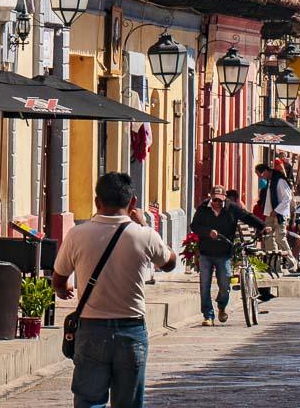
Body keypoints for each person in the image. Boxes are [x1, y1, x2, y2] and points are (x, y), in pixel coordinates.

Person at [53, 172, 176, 408]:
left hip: (91, 329)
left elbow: (58, 280)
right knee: (128, 403)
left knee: (89, 400)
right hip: (131, 330)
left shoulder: (77, 234)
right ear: (133, 203)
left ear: (97, 202)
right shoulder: (144, 235)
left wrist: (64, 289)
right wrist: (143, 225)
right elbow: (170, 263)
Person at [189, 186, 266, 325]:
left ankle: (221, 305)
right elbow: (194, 226)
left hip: (224, 253)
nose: (217, 203)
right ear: (210, 197)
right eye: (214, 200)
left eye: (220, 200)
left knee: (225, 284)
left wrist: (262, 226)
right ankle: (208, 316)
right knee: (204, 286)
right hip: (206, 252)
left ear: (225, 198)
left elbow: (247, 217)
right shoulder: (203, 208)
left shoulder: (232, 208)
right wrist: (207, 232)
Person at [257, 163, 297, 270]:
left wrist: (276, 210)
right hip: (270, 214)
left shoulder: (280, 181)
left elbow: (287, 198)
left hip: (280, 214)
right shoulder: (270, 181)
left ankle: (292, 262)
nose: (260, 177)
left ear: (265, 171)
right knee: (269, 238)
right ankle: (274, 265)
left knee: (280, 238)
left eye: (260, 174)